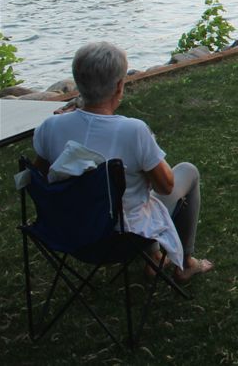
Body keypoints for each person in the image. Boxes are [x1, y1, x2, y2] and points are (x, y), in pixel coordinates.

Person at [32, 42, 213, 282]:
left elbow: (40, 177)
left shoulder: (50, 127)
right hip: (120, 239)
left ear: (78, 82)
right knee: (186, 171)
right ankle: (186, 263)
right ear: (119, 86)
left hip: (68, 232)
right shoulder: (133, 131)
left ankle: (155, 257)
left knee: (129, 193)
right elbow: (165, 187)